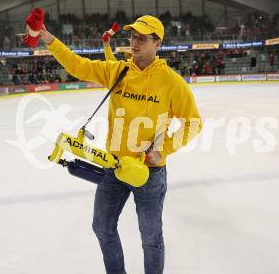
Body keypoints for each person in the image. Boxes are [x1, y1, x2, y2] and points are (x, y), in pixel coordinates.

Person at [38, 15, 202, 274]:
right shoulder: (119, 70)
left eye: (141, 39)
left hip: (148, 173)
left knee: (150, 238)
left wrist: (164, 150)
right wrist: (48, 38)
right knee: (102, 227)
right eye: (132, 38)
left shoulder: (172, 82)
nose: (134, 43)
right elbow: (79, 66)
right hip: (112, 166)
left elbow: (194, 123)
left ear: (157, 43)